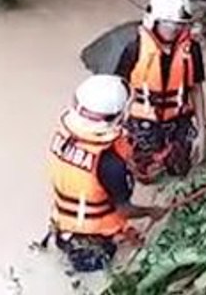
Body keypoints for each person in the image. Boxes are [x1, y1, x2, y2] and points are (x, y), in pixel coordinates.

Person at [46, 74, 164, 273]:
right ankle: (110, 238)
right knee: (108, 259)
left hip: (63, 223)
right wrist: (152, 211)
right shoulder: (110, 163)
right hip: (92, 240)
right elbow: (124, 210)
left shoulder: (65, 135)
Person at [115, 0, 206, 183]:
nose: (173, 29)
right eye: (168, 23)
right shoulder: (135, 49)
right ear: (154, 21)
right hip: (143, 120)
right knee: (144, 174)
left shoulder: (191, 50)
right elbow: (119, 89)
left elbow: (196, 89)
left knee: (181, 168)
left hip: (178, 118)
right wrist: (117, 127)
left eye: (178, 24)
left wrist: (202, 131)